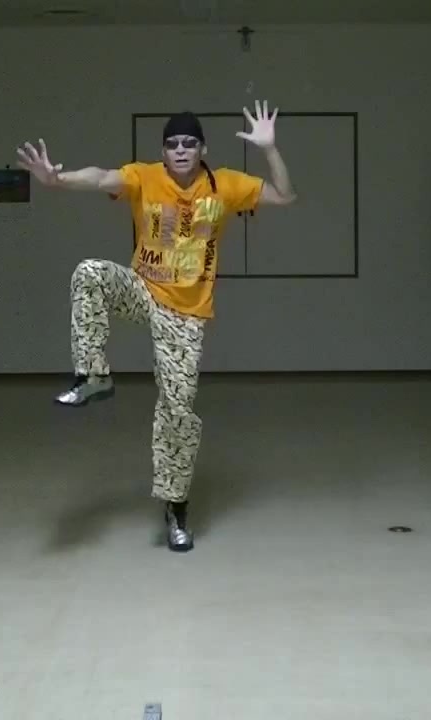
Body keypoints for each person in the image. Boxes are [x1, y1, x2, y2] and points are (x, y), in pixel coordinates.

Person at [15, 101, 297, 552]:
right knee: (90, 273)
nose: (180, 150)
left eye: (189, 143)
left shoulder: (224, 185)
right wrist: (57, 180)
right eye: (172, 144)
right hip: (142, 290)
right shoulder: (145, 177)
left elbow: (284, 195)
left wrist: (269, 149)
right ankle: (93, 375)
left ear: (202, 149)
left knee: (178, 411)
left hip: (187, 314)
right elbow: (100, 177)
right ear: (163, 151)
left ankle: (175, 507)